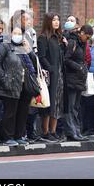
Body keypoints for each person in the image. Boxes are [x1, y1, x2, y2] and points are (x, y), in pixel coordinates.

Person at [0, 24, 37, 146]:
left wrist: (29, 50)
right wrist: (4, 79)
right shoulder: (4, 46)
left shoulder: (24, 47)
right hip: (10, 84)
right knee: (10, 112)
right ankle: (8, 137)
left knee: (22, 112)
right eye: (15, 33)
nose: (17, 36)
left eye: (20, 33)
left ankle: (19, 135)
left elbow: (34, 63)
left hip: (24, 84)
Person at [37, 13, 67, 142]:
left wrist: (65, 45)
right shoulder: (43, 38)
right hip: (50, 75)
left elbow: (62, 56)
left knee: (58, 103)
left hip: (60, 74)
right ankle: (45, 131)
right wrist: (51, 69)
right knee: (49, 103)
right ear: (48, 22)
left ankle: (53, 131)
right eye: (54, 20)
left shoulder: (59, 37)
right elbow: (42, 57)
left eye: (58, 19)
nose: (56, 22)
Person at [64, 24, 94, 141]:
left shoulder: (83, 43)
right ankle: (71, 132)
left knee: (76, 107)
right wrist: (79, 67)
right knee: (71, 107)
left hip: (79, 79)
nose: (88, 40)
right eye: (87, 37)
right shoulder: (73, 42)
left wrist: (83, 68)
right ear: (81, 33)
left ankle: (77, 131)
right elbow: (66, 59)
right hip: (72, 78)